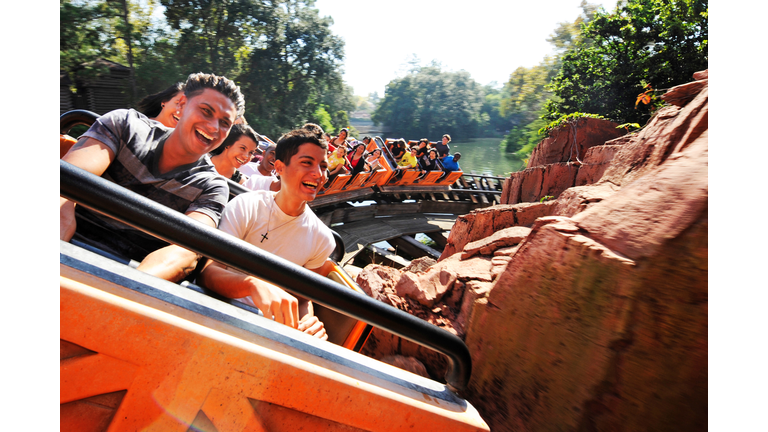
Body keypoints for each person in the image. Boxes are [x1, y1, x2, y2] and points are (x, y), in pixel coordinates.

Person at [61, 72, 245, 282]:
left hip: (134, 274)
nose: (213, 127)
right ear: (182, 104)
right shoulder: (126, 125)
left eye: (224, 123)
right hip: (70, 245)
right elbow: (64, 185)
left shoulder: (212, 186)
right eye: (206, 111)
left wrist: (124, 288)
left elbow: (185, 252)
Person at [198, 128, 335, 339]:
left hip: (268, 332)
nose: (318, 174)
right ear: (280, 167)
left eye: (323, 166)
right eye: (307, 163)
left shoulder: (322, 239)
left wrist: (309, 322)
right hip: (217, 313)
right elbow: (208, 274)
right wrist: (251, 285)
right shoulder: (247, 206)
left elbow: (302, 297)